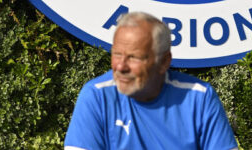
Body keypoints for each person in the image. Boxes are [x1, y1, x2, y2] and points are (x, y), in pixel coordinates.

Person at [64, 12, 238, 150]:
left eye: (134, 57)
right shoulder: (96, 96)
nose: (121, 66)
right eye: (117, 54)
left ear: (164, 62)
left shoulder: (199, 98)